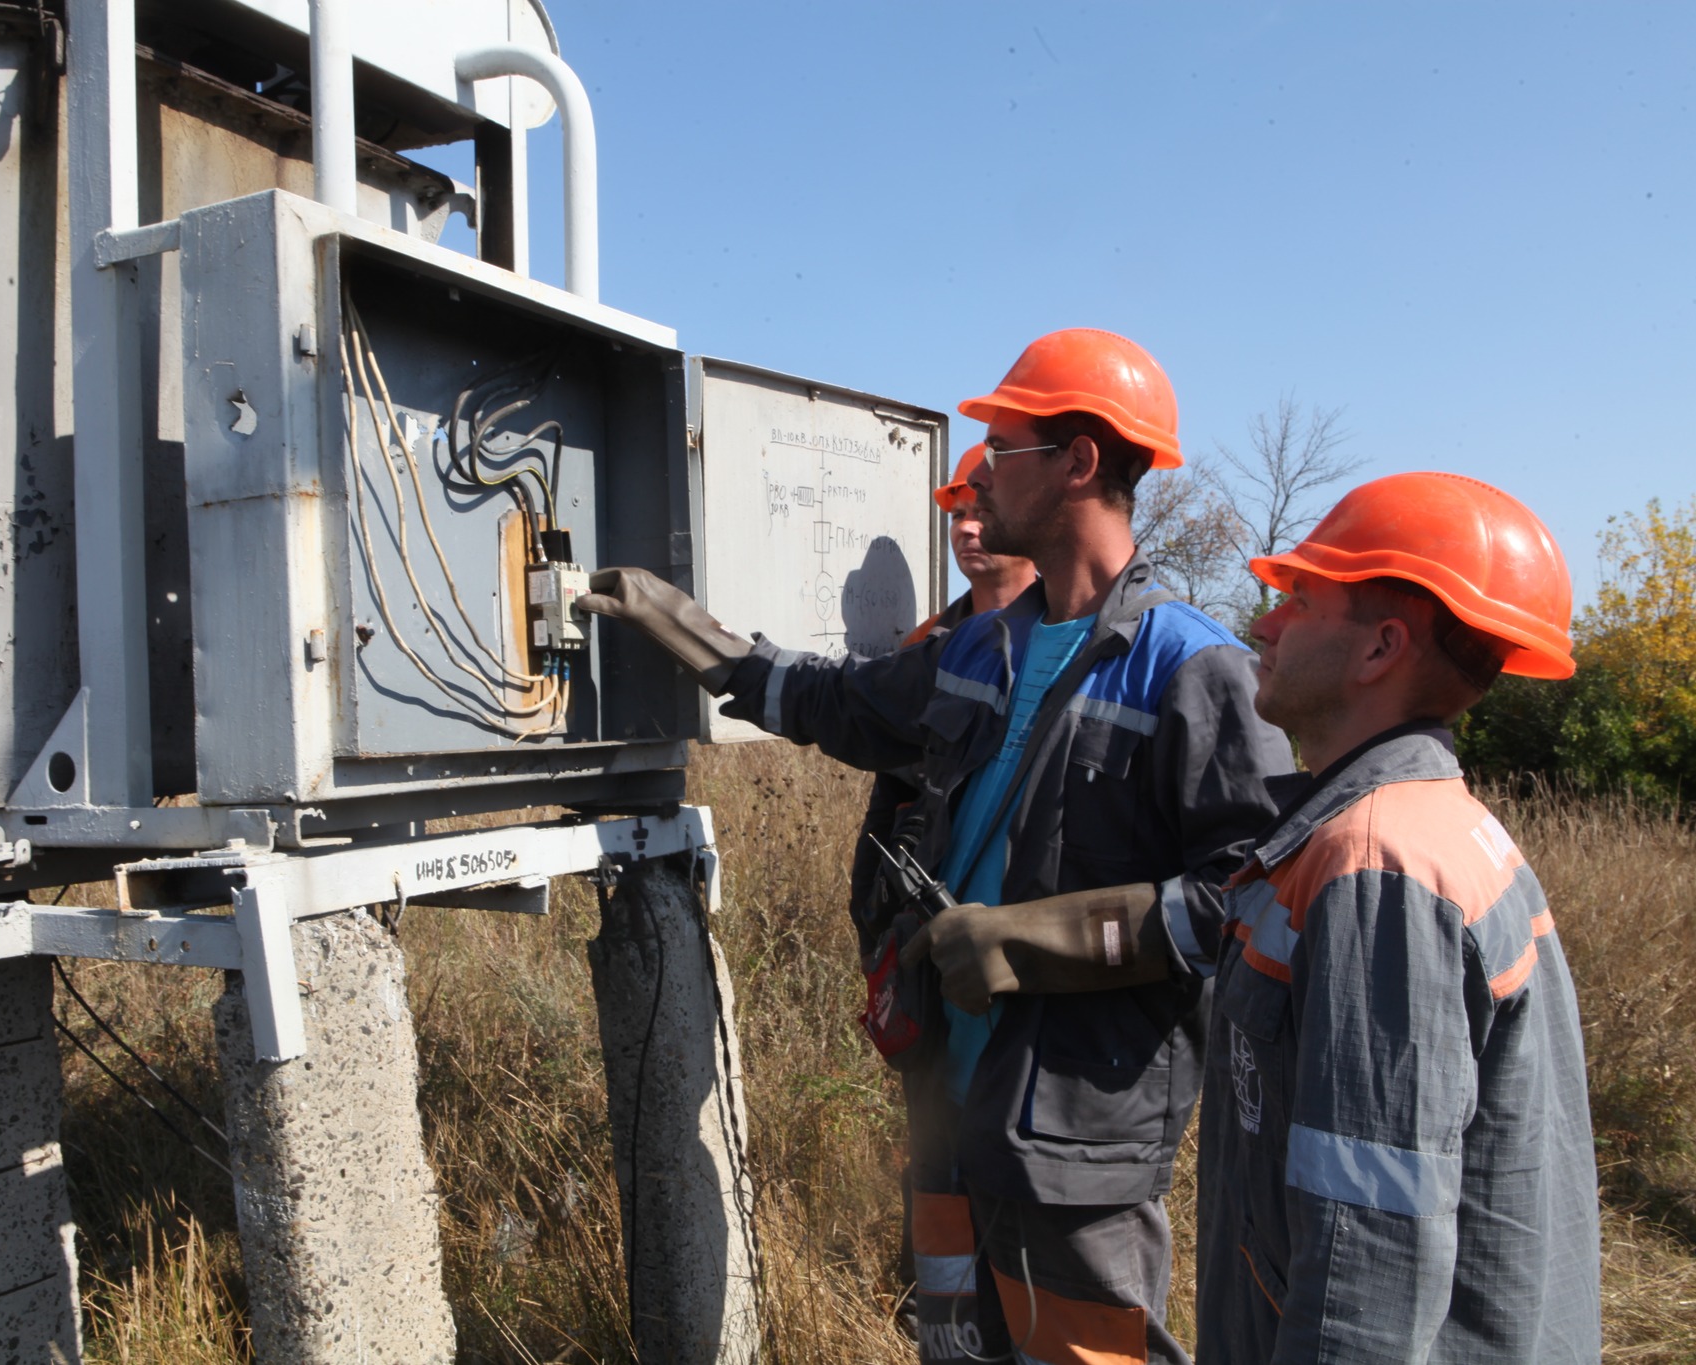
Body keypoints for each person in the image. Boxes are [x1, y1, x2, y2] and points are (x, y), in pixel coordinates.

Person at [581, 329, 1293, 1365]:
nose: (978, 479)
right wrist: (682, 625)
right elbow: (832, 703)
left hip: (1071, 1135)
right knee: (955, 1344)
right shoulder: (977, 647)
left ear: (1079, 462)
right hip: (950, 1102)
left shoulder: (1190, 671)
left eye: (1002, 447)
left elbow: (1249, 896)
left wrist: (1037, 938)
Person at [911, 471, 1602, 1361]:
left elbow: (1368, 1259)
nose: (1263, 624)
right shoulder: (1417, 827)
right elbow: (1207, 917)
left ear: (1380, 648)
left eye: (1300, 600)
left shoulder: (1376, 871)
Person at [850, 446, 1037, 1339]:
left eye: (978, 509)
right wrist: (880, 933)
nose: (964, 526)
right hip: (926, 961)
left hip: (1030, 988)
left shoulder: (1067, 648)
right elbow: (889, 812)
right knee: (933, 1158)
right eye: (953, 511)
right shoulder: (932, 645)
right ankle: (936, 1319)